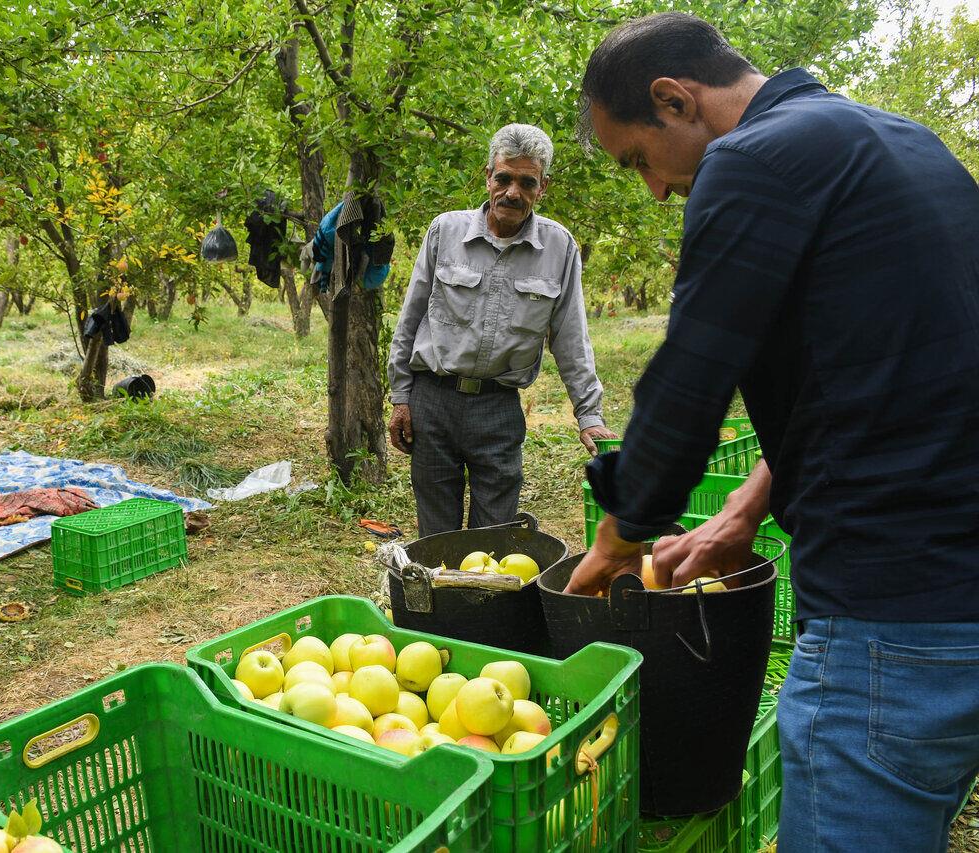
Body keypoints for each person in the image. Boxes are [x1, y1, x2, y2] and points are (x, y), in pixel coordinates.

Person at [564, 12, 979, 851]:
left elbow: (687, 389)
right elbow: (887, 377)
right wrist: (749, 508)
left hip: (889, 620)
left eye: (638, 159)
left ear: (674, 99)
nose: (652, 188)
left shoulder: (750, 164)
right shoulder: (907, 146)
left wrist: (614, 545)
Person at [387, 123, 616, 536]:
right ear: (488, 176)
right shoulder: (445, 232)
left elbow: (570, 338)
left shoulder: (560, 248)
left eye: (526, 182)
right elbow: (411, 318)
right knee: (436, 536)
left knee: (494, 535)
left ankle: (482, 601)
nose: (512, 192)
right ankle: (440, 600)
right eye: (504, 178)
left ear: (541, 187)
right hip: (432, 402)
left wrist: (589, 415)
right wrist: (400, 397)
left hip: (498, 408)